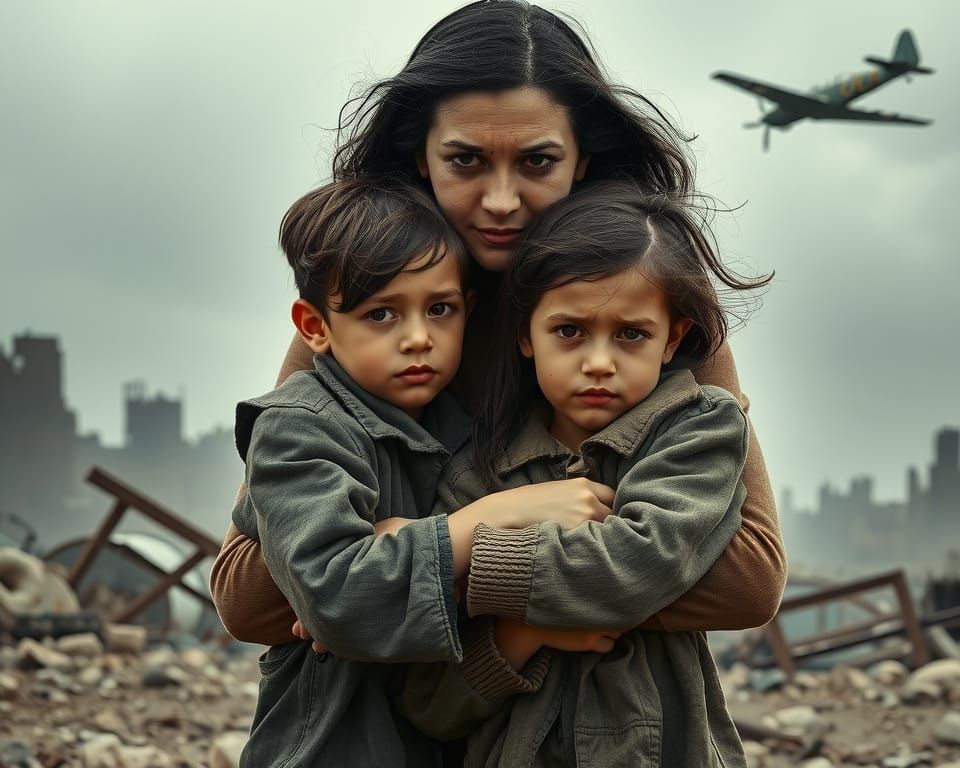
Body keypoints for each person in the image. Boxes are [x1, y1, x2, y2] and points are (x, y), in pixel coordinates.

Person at [212, 0, 784, 669]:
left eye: (538, 162)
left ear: (583, 162)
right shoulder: (367, 308)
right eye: (467, 161)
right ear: (419, 157)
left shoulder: (647, 303)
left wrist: (430, 565)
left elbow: (747, 581)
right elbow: (249, 595)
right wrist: (493, 527)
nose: (503, 200)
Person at [232, 178, 618, 766]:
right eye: (381, 313)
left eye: (440, 309)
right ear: (315, 327)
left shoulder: (470, 428)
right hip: (331, 747)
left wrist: (398, 544)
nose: (418, 338)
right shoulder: (299, 428)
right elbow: (336, 599)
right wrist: (486, 518)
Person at [394, 183, 755, 766]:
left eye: (631, 334)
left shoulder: (698, 432)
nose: (598, 362)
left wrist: (464, 565)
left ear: (674, 339)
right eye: (569, 331)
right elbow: (429, 704)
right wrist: (522, 636)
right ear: (523, 335)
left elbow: (635, 566)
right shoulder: (475, 473)